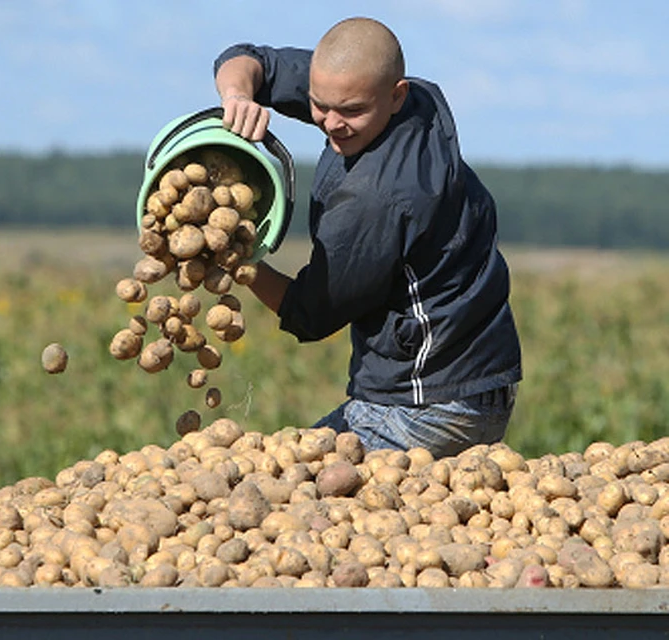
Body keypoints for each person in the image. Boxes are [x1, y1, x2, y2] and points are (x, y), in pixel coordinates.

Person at [212, 17, 522, 458]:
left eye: (350, 111)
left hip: (431, 404)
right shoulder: (410, 99)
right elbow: (252, 60)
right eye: (319, 105)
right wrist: (238, 95)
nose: (332, 124)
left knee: (288, 480)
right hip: (481, 377)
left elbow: (310, 314)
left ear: (396, 95)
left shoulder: (379, 198)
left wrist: (238, 261)